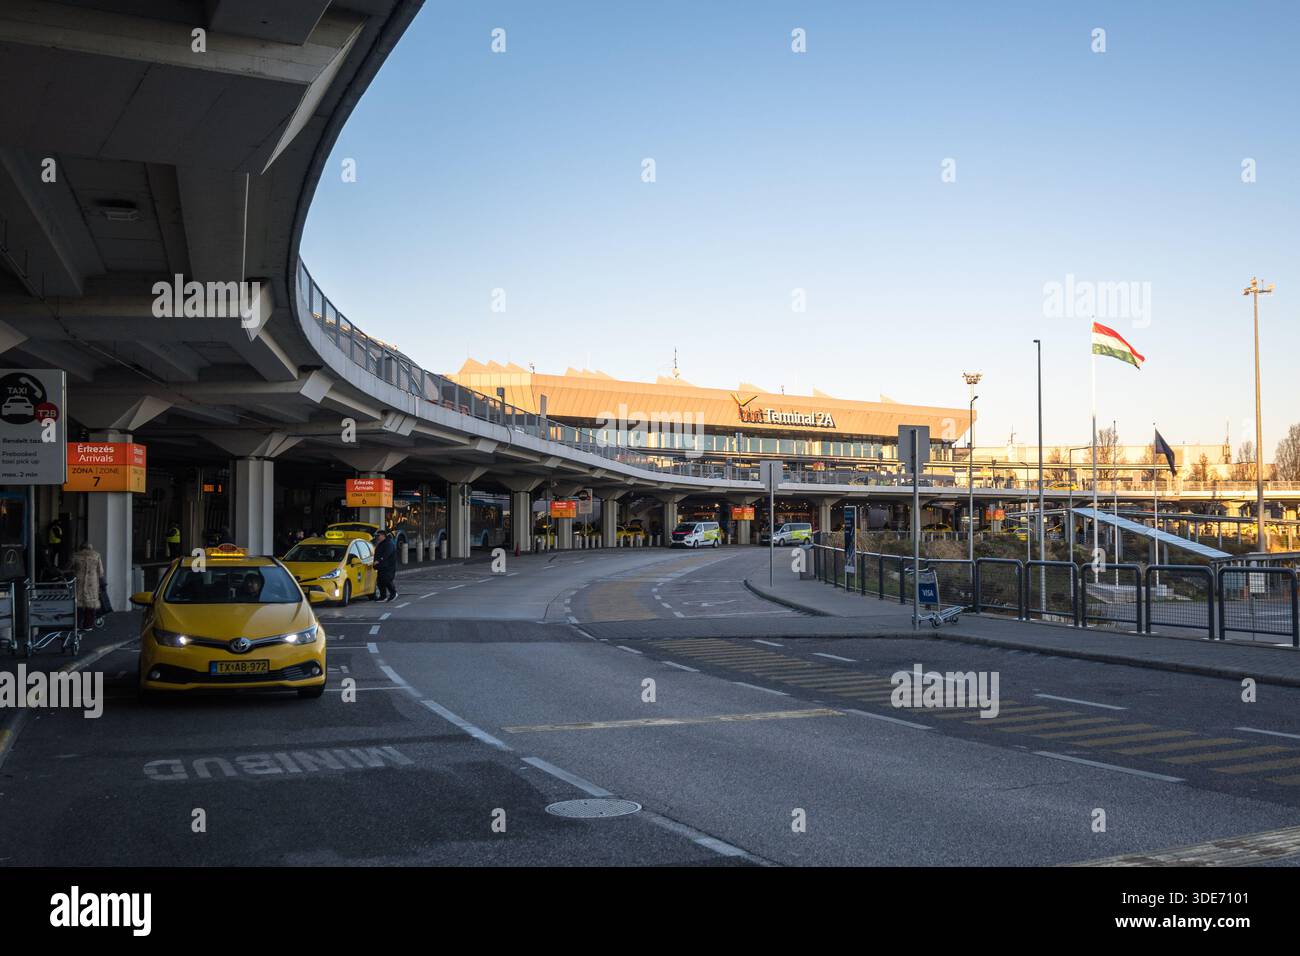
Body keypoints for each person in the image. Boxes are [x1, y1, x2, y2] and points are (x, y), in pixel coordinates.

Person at [71, 541, 104, 631]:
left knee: (78, 603)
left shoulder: (76, 555)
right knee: (91, 604)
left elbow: (71, 567)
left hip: (79, 581)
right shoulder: (96, 555)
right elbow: (100, 572)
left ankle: (77, 625)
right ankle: (88, 625)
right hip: (92, 582)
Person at [373, 529, 398, 602]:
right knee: (380, 581)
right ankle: (383, 596)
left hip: (388, 566)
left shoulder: (388, 544)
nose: (377, 537)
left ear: (383, 536)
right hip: (381, 566)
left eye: (378, 536)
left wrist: (379, 560)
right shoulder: (381, 543)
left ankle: (393, 593)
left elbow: (386, 554)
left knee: (387, 580)